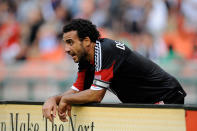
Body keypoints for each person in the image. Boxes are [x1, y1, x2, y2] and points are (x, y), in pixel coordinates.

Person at [42, 18, 186, 122]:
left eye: (70, 42)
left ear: (86, 41)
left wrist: (66, 99)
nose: (66, 49)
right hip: (144, 105)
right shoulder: (86, 60)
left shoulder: (106, 50)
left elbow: (95, 95)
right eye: (65, 43)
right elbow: (76, 90)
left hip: (166, 97)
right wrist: (53, 99)